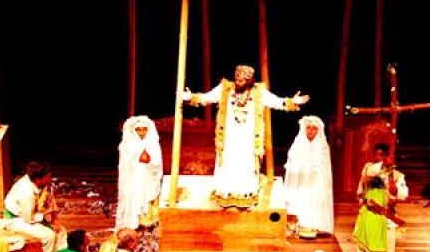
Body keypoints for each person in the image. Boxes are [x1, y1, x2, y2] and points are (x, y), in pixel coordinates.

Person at [181, 64, 310, 208]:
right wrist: (190, 97)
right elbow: (206, 97)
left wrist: (293, 101)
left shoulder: (259, 93)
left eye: (241, 80)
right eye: (236, 79)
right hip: (229, 139)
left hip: (248, 140)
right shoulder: (225, 89)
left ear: (249, 81)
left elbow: (278, 102)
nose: (237, 82)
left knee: (246, 166)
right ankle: (226, 195)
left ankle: (245, 196)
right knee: (228, 164)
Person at [351, 143, 408, 252]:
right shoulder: (369, 169)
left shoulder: (397, 176)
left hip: (386, 218)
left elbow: (401, 195)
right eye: (376, 154)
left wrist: (390, 174)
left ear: (388, 156)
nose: (378, 157)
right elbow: (362, 188)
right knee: (361, 251)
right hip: (369, 216)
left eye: (382, 155)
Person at [3, 161, 67, 252]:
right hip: (17, 219)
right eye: (47, 176)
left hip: (34, 215)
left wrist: (54, 220)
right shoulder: (26, 192)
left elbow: (51, 202)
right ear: (38, 179)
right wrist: (46, 213)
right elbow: (28, 219)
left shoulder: (43, 184)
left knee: (61, 231)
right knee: (49, 236)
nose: (50, 178)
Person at [283, 115, 334, 239]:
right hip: (301, 180)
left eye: (314, 128)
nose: (311, 131)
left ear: (318, 130)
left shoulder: (322, 146)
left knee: (315, 200)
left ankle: (315, 226)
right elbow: (292, 161)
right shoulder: (298, 144)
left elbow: (325, 167)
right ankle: (300, 225)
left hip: (317, 180)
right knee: (302, 199)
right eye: (308, 128)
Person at [116, 115, 163, 231]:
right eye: (139, 130)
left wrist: (149, 161)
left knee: (147, 199)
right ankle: (132, 223)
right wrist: (136, 159)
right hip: (133, 178)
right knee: (134, 198)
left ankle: (147, 223)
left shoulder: (152, 143)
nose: (142, 132)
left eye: (144, 129)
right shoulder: (128, 144)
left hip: (148, 177)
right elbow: (125, 163)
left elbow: (157, 162)